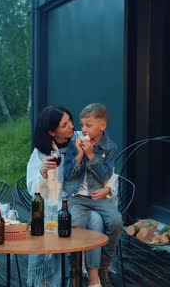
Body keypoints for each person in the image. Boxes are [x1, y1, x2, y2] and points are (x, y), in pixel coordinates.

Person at [26, 106, 117, 287]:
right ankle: (70, 273)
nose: (72, 127)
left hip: (81, 200)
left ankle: (94, 273)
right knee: (75, 220)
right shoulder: (41, 152)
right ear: (52, 132)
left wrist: (108, 189)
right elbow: (33, 189)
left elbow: (110, 171)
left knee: (99, 220)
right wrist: (43, 173)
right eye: (64, 125)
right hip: (54, 206)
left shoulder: (81, 138)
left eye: (70, 121)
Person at [63, 103, 123, 287]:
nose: (83, 130)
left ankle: (103, 266)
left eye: (88, 125)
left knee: (116, 221)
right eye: (82, 125)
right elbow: (67, 175)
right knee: (76, 224)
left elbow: (106, 175)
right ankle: (74, 269)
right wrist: (80, 155)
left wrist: (91, 155)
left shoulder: (110, 147)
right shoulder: (75, 142)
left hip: (98, 197)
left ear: (102, 126)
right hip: (76, 197)